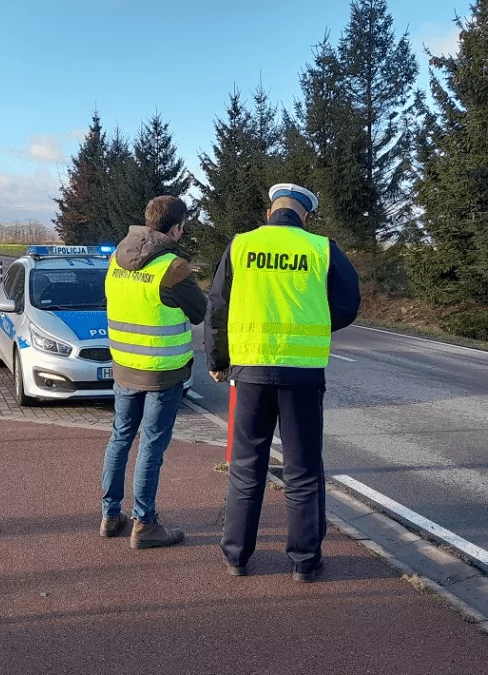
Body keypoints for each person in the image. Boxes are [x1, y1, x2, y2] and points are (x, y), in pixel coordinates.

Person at [205, 183, 360, 582]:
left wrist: (219, 359)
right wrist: (317, 321)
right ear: (304, 214)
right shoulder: (320, 248)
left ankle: (237, 557)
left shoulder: (241, 245)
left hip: (250, 372)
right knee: (304, 468)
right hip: (303, 374)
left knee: (246, 465)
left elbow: (218, 304)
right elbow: (348, 303)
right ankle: (305, 562)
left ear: (271, 209)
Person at [100, 196, 206, 549]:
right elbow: (200, 312)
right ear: (175, 228)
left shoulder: (116, 258)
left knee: (120, 438)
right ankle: (144, 524)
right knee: (151, 445)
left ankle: (110, 515)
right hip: (162, 372)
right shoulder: (173, 268)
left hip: (124, 366)